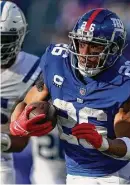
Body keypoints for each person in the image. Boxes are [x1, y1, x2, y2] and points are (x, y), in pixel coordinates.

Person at [10, 8, 130, 184]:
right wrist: (19, 124)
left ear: (114, 48)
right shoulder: (57, 62)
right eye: (81, 43)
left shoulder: (125, 80)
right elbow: (25, 104)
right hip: (80, 177)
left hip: (122, 174)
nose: (84, 53)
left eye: (95, 46)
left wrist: (103, 143)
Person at [0, 1, 65, 184]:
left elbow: (20, 141)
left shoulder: (37, 72)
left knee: (50, 176)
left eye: (3, 39)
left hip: (5, 154)